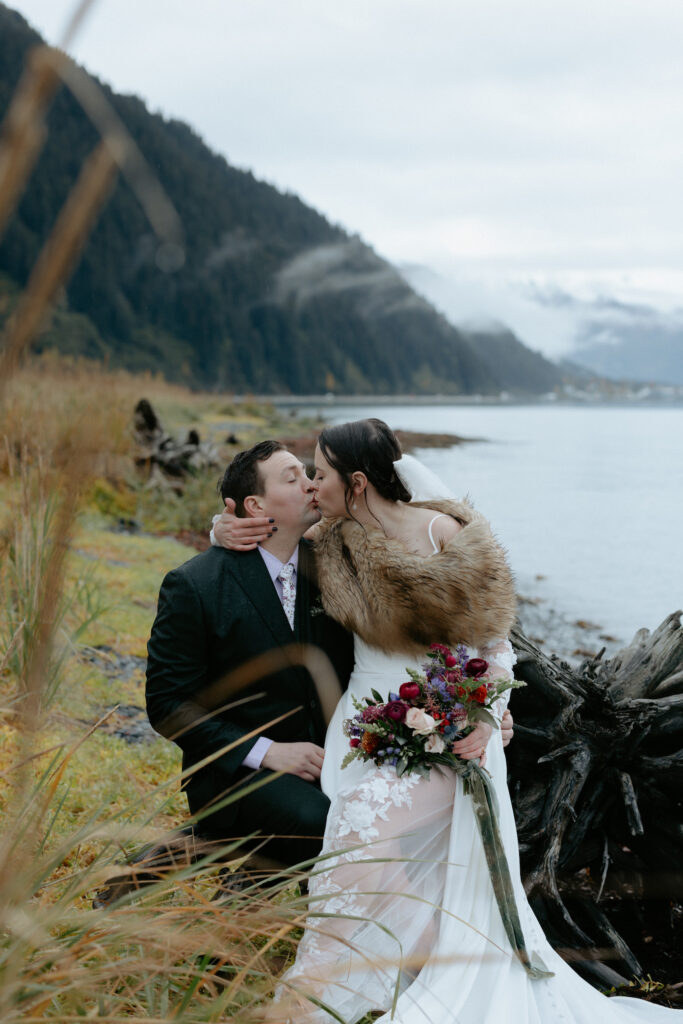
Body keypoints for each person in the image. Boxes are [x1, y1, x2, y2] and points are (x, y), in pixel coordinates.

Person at [212, 419, 680, 1024]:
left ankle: (320, 1001)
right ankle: (394, 974)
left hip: (454, 732)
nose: (311, 485)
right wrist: (221, 527)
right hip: (361, 730)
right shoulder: (332, 540)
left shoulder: (446, 534)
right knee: (376, 856)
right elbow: (264, 544)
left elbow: (496, 649)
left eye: (320, 473)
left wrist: (490, 717)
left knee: (360, 833)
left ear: (355, 482)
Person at [145, 440, 355, 870]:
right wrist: (265, 751)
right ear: (255, 505)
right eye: (292, 478)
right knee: (320, 819)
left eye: (309, 473)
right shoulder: (195, 585)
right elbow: (167, 705)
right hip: (237, 773)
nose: (311, 484)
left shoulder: (335, 566)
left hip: (333, 756)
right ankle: (215, 862)